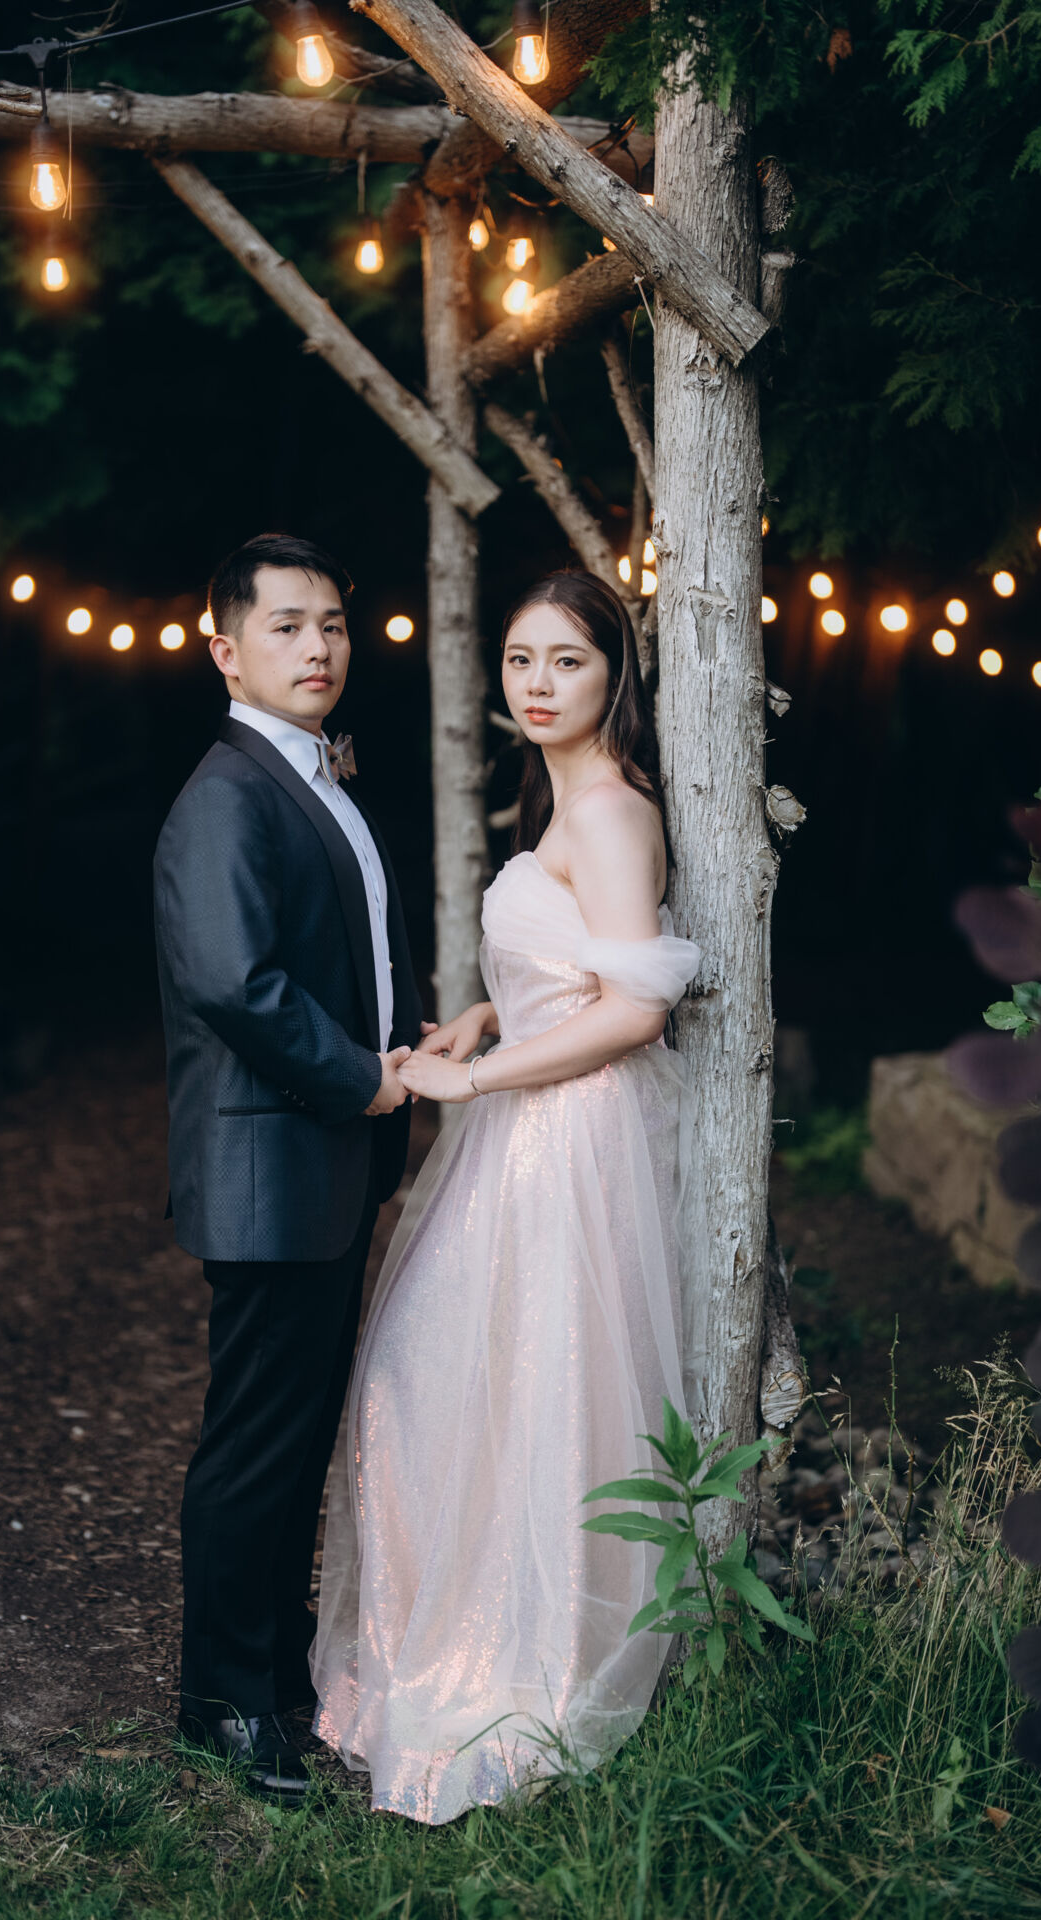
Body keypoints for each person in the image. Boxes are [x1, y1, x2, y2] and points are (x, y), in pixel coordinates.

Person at [311, 569, 705, 1824]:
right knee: (435, 1383)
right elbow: (575, 967)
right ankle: (451, 1635)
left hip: (567, 1138)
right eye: (521, 660)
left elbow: (635, 1013)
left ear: (613, 676)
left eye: (566, 662)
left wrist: (471, 1076)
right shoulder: (560, 796)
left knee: (539, 1388)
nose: (537, 684)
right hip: (526, 1116)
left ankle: (530, 1662)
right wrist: (490, 1010)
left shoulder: (613, 809)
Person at [153, 533, 424, 1803]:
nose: (318, 647)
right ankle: (221, 1702)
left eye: (332, 624)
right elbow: (234, 982)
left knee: (296, 1433)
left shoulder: (312, 775)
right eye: (286, 626)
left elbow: (344, 955)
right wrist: (361, 1077)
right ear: (225, 650)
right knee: (255, 1444)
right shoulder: (226, 793)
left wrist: (412, 1036)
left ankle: (272, 1678)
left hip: (323, 1166)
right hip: (272, 1170)